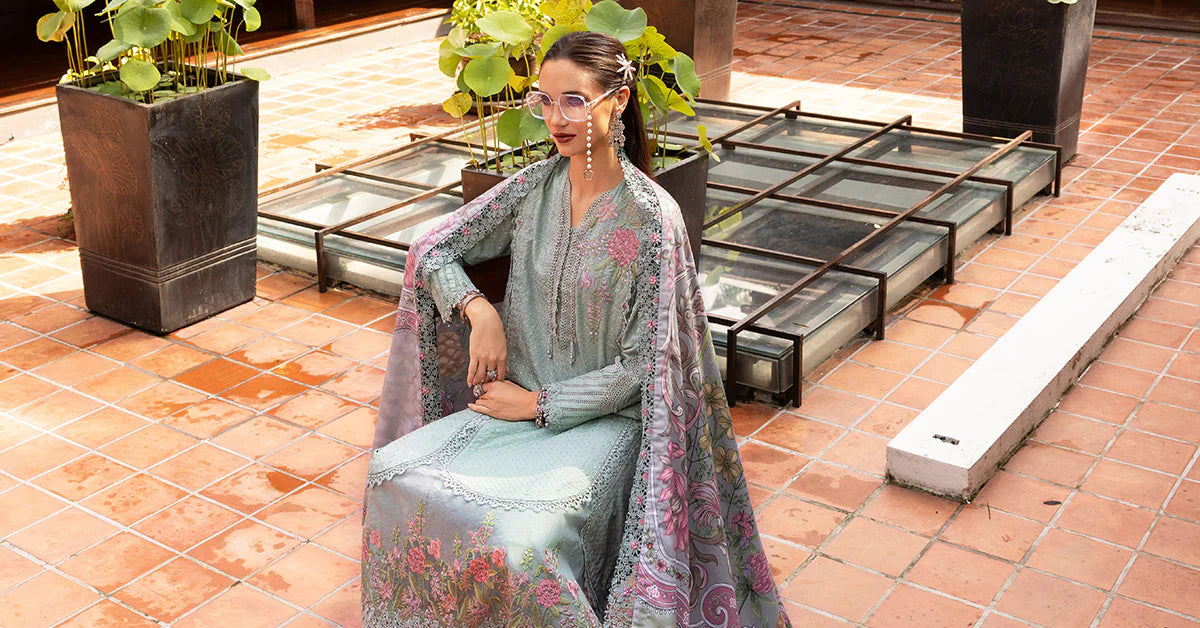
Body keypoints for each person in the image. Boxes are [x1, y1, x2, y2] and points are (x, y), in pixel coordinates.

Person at [362, 31, 790, 627]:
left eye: (573, 101)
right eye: (544, 100)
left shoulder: (651, 219)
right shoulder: (534, 190)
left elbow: (642, 369)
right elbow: (431, 247)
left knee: (517, 542)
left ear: (619, 100)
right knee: (391, 475)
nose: (555, 118)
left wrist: (537, 405)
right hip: (511, 406)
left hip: (607, 425)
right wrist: (478, 309)